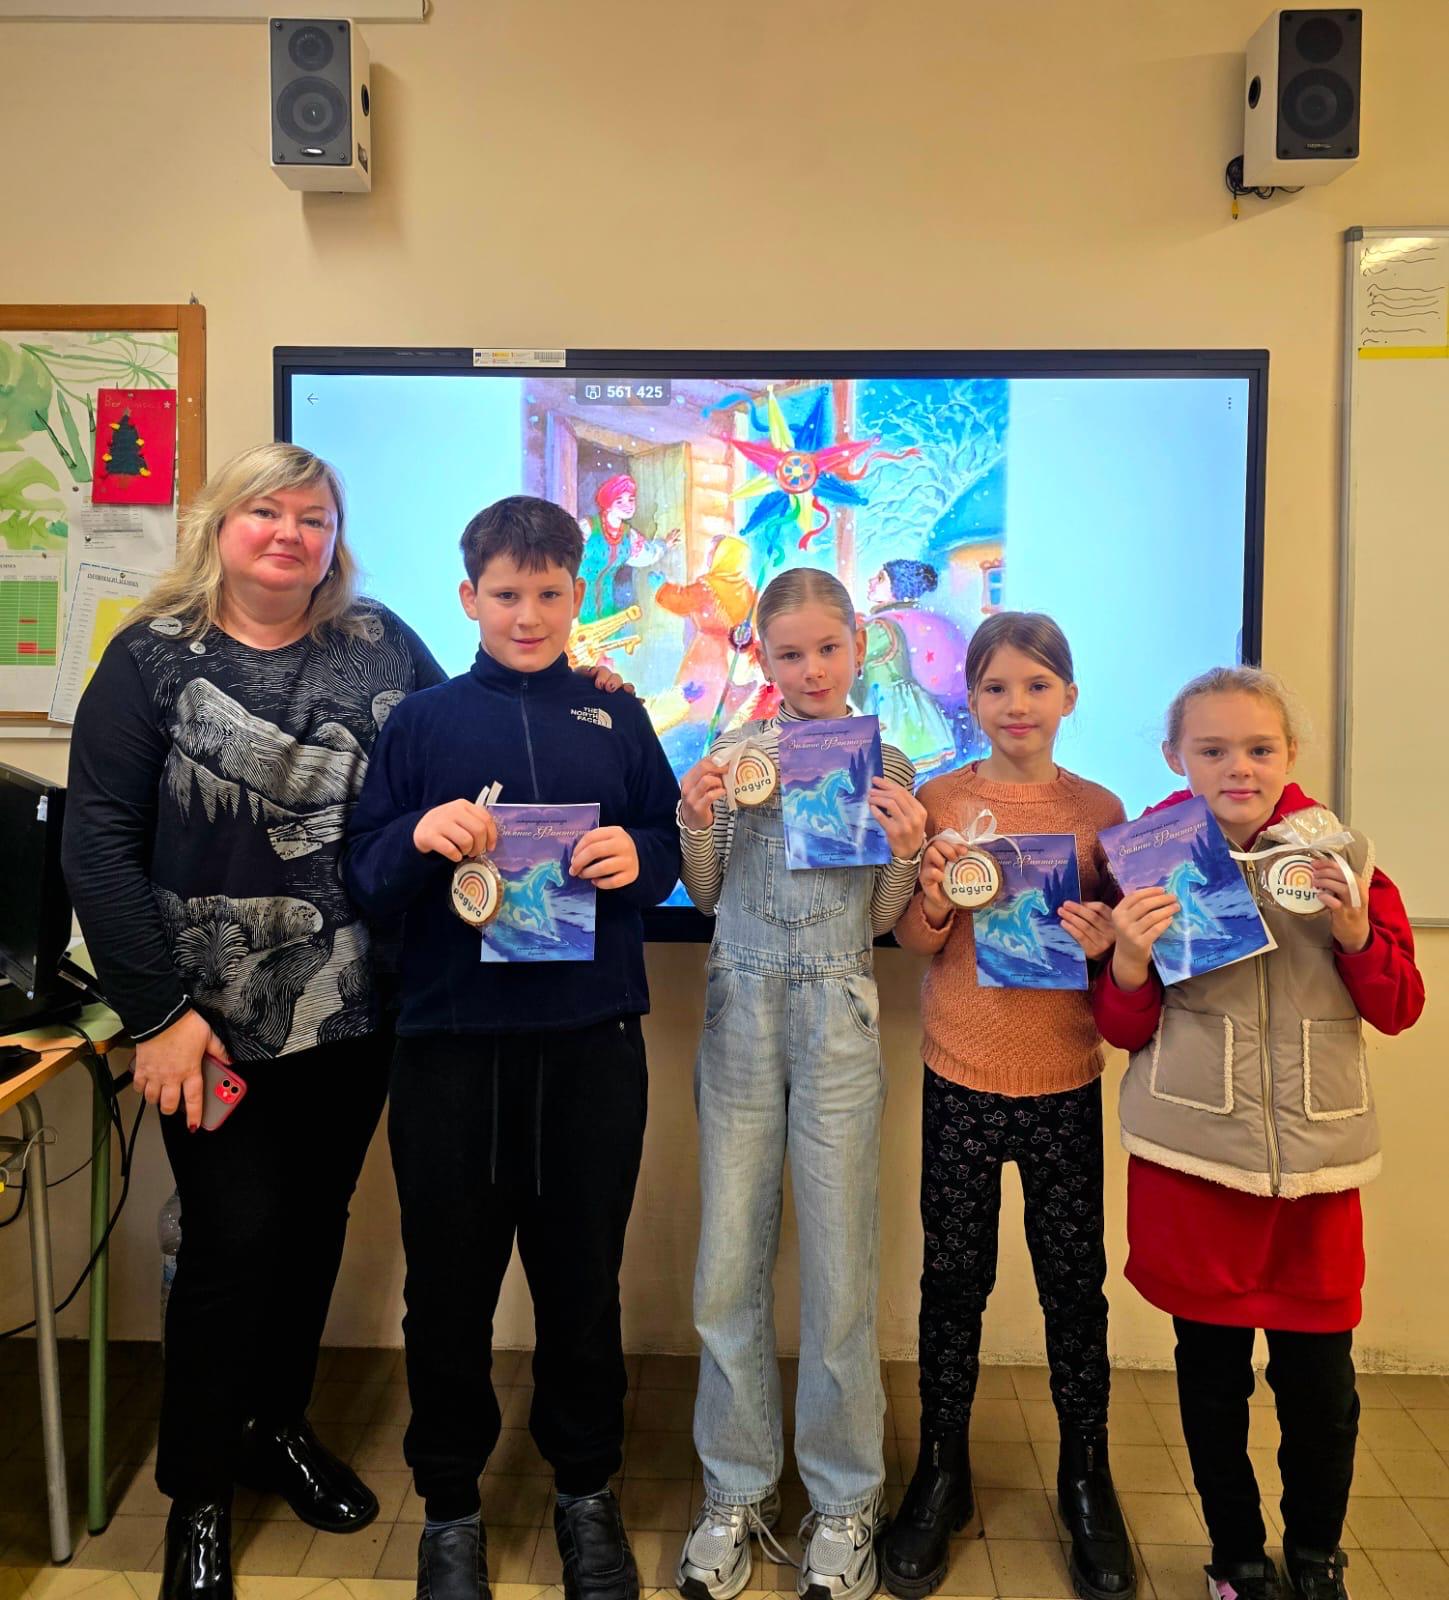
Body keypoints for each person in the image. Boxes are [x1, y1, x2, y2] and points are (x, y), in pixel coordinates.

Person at [61, 443, 446, 1600]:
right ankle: (198, 1493)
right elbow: (97, 847)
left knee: (313, 1231)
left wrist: (585, 693)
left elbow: (460, 740)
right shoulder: (150, 657)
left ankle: (274, 1427)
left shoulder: (380, 643)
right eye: (266, 512)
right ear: (221, 526)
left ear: (334, 539)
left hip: (355, 1016)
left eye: (312, 517)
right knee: (231, 1244)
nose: (289, 533)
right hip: (206, 1031)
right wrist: (158, 1016)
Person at [343, 495, 682, 1600]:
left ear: (578, 596)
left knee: (583, 1286)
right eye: (505, 594)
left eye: (547, 594)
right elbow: (367, 876)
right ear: (468, 597)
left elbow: (668, 841)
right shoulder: (421, 723)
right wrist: (417, 834)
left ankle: (585, 1492)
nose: (526, 615)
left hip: (590, 1047)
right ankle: (449, 1508)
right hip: (451, 1053)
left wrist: (639, 855)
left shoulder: (616, 716)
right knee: (447, 1295)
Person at [1093, 667, 1425, 1600]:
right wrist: (1128, 955)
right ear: (1174, 758)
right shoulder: (1145, 862)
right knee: (1211, 1382)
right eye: (1212, 750)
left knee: (1321, 1390)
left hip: (1313, 1179)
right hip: (1193, 1167)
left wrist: (1354, 931)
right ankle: (1235, 1556)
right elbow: (1119, 1027)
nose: (1237, 767)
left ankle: (1315, 1557)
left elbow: (1399, 1007)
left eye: (1258, 748)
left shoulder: (1342, 859)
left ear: (1289, 755)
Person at [674, 567, 928, 1600]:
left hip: (838, 1012)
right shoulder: (733, 755)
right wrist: (696, 816)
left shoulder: (889, 761)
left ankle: (845, 1498)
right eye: (791, 653)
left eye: (828, 648)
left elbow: (882, 917)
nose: (813, 669)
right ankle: (734, 1489)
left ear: (859, 643)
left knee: (839, 1269)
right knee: (726, 1264)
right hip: (740, 1004)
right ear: (764, 658)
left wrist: (907, 849)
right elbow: (703, 894)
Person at [885, 611, 1136, 1600]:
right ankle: (940, 1471)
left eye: (1036, 685)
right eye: (996, 687)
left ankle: (1086, 1480)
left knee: (1074, 1288)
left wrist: (1106, 939)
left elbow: (1123, 950)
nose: (1016, 704)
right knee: (953, 1283)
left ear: (1068, 696)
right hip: (960, 1075)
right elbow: (913, 938)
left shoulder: (1101, 809)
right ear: (970, 698)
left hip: (1064, 1078)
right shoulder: (940, 798)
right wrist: (935, 896)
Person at [855, 560, 958, 775]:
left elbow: (849, 656)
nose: (871, 581)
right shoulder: (912, 618)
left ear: (898, 588)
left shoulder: (881, 627)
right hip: (918, 709)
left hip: (889, 710)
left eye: (880, 578)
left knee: (890, 773)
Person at [577, 472, 679, 625]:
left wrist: (665, 545)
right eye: (619, 501)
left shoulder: (628, 535)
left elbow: (647, 554)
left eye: (631, 499)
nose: (628, 505)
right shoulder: (588, 527)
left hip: (606, 605)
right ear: (608, 504)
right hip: (576, 602)